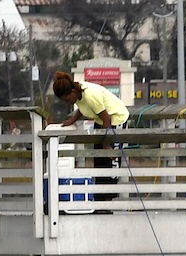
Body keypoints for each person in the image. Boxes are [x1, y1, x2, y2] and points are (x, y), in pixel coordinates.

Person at [51, 71, 130, 203]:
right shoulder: (78, 93)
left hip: (115, 120)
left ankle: (108, 202)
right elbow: (82, 109)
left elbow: (107, 118)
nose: (67, 102)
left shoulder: (90, 95)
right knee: (98, 159)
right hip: (101, 122)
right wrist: (71, 121)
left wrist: (106, 144)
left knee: (110, 161)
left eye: (67, 99)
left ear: (72, 92)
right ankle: (100, 200)